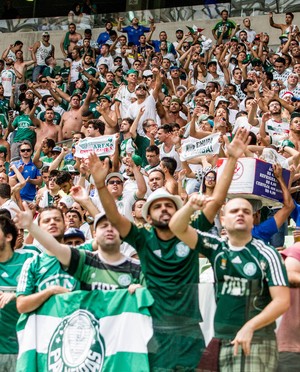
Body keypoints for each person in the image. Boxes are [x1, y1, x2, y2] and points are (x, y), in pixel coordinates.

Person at [77, 128, 251, 369]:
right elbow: (115, 218)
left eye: (169, 205)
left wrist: (231, 158)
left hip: (190, 328)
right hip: (154, 328)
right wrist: (100, 184)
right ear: (148, 216)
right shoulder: (142, 238)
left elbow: (218, 200)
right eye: (157, 207)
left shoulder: (191, 232)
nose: (164, 209)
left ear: (178, 210)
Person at [169, 196, 290, 371]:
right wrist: (190, 207)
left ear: (253, 219)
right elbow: (176, 227)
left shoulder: (266, 253)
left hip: (256, 339)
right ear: (223, 219)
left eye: (246, 211)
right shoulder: (216, 247)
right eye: (234, 211)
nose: (240, 214)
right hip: (223, 338)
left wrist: (250, 326)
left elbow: (282, 301)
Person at [0, 216, 35, 371]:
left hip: (24, 349)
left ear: (9, 237)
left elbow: (46, 292)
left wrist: (17, 295)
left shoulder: (30, 259)